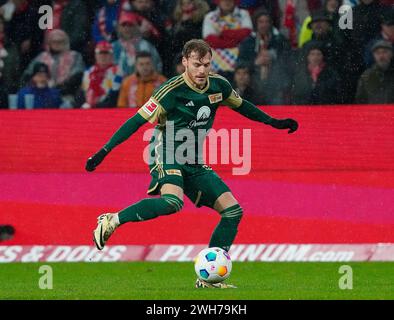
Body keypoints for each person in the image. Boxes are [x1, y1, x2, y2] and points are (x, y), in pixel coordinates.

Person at [85, 39, 298, 288]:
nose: (202, 71)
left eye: (206, 65)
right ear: (185, 62)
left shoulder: (219, 86)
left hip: (193, 159)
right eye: (196, 64)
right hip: (164, 152)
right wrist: (104, 151)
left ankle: (208, 280)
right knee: (173, 202)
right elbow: (136, 121)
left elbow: (244, 108)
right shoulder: (170, 91)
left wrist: (274, 122)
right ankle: (112, 220)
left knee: (233, 212)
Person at [22, 29, 85, 108]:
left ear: (66, 42)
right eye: (54, 41)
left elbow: (77, 76)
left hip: (66, 96)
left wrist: (58, 90)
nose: (57, 44)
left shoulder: (75, 56)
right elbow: (28, 75)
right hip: (41, 94)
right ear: (49, 43)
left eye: (60, 41)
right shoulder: (42, 56)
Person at [202, 0, 253, 76]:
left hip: (240, 61)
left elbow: (247, 33)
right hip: (215, 63)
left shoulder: (243, 14)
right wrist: (234, 42)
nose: (227, 2)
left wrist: (223, 33)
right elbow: (210, 40)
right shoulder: (210, 16)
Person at [112, 11, 162, 76]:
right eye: (123, 25)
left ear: (136, 27)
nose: (127, 28)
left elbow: (157, 66)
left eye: (130, 25)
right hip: (115, 84)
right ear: (119, 28)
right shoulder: (112, 47)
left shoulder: (146, 46)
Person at [81, 41, 122, 109]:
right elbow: (83, 91)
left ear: (111, 56)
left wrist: (96, 106)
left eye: (106, 53)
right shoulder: (88, 72)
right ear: (95, 55)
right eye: (100, 53)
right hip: (87, 107)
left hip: (106, 108)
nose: (103, 56)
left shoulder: (117, 71)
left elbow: (114, 94)